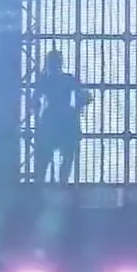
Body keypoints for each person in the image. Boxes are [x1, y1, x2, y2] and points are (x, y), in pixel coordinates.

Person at [33, 50, 92, 184]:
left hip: (50, 119)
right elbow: (85, 96)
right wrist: (80, 104)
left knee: (44, 157)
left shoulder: (45, 81)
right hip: (67, 119)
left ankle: (40, 186)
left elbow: (34, 100)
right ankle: (62, 184)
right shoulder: (68, 79)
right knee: (67, 155)